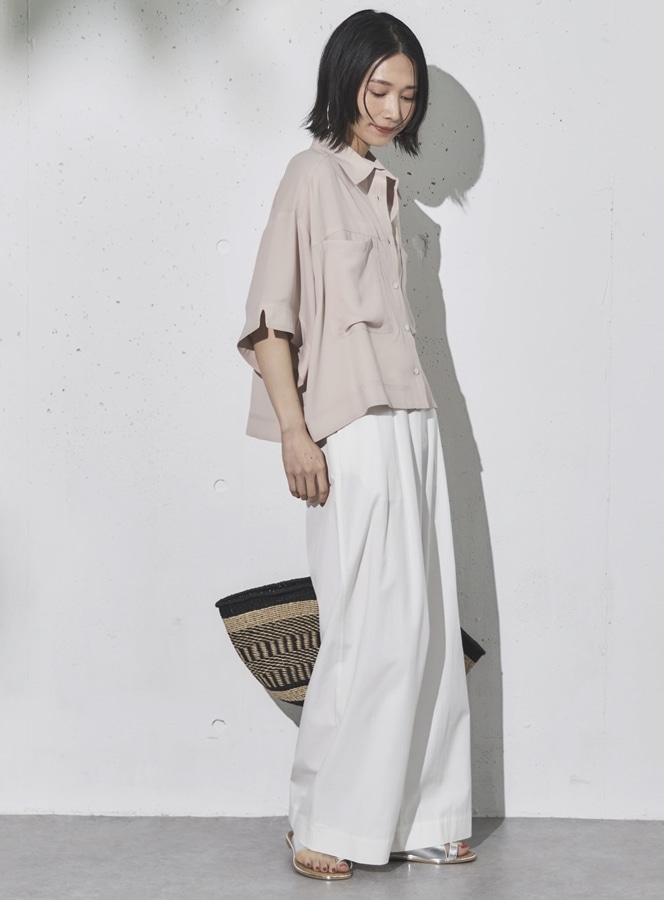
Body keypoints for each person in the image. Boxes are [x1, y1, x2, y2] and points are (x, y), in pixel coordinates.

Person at [237, 9, 475, 881]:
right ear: (345, 80)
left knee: (421, 627)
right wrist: (294, 434)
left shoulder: (387, 190)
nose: (393, 109)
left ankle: (423, 812)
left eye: (408, 96)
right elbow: (270, 318)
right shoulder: (310, 176)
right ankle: (324, 818)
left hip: (414, 419)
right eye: (379, 89)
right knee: (364, 627)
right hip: (351, 424)